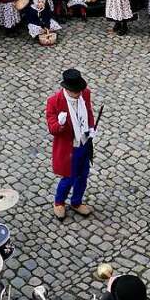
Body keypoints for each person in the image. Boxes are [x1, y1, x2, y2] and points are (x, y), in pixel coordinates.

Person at [46, 68, 96, 221]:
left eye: (80, 91)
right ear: (67, 89)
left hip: (84, 143)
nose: (79, 94)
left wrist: (91, 129)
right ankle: (59, 202)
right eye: (75, 92)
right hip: (68, 148)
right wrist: (60, 124)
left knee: (83, 176)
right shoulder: (54, 101)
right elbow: (52, 128)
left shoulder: (85, 94)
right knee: (68, 177)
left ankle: (76, 202)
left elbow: (89, 113)